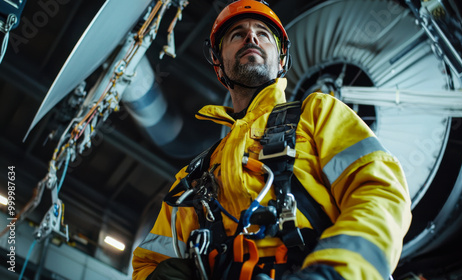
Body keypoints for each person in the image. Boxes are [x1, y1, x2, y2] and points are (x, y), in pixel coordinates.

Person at [132, 1, 412, 279]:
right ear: (219, 65)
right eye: (237, 34)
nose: (250, 37)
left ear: (281, 60)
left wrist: (335, 273)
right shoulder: (194, 177)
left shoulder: (317, 113)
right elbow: (149, 263)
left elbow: (380, 191)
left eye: (263, 33)